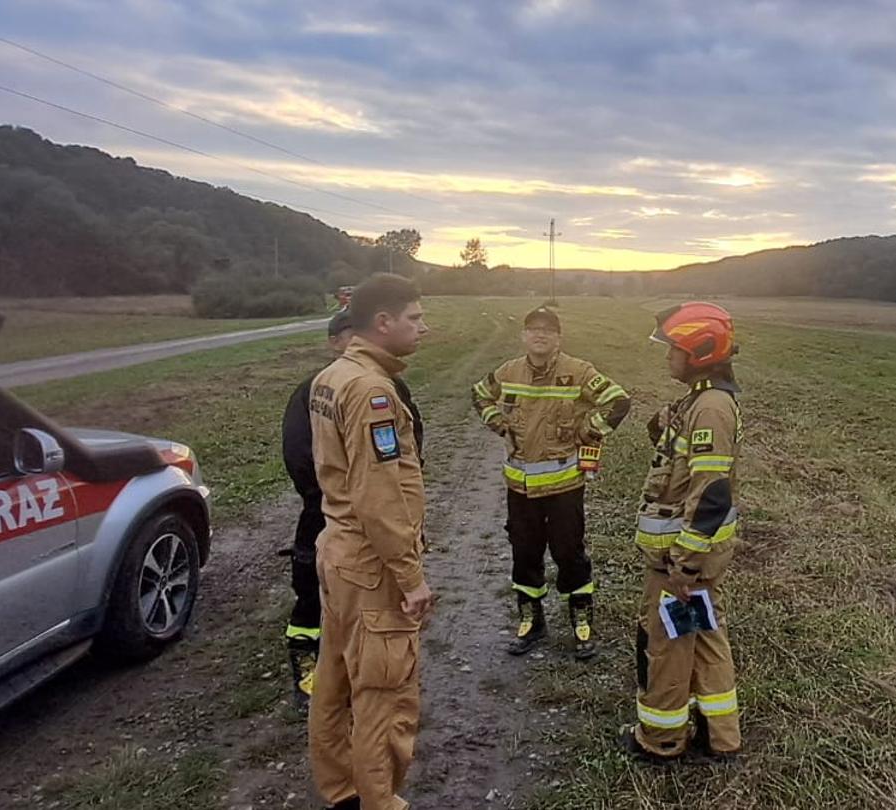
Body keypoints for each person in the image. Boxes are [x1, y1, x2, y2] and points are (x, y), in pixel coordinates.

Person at [307, 273, 434, 810]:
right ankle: (378, 800)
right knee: (383, 693)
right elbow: (378, 496)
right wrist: (411, 577)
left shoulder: (332, 376)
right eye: (415, 318)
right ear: (382, 322)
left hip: (337, 553)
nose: (423, 327)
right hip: (370, 564)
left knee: (333, 679)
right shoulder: (373, 391)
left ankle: (341, 790)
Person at [471, 306, 632, 659]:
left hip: (564, 488)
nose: (539, 335)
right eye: (532, 329)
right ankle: (531, 622)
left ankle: (581, 623)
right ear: (523, 336)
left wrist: (590, 431)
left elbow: (619, 401)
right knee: (524, 554)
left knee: (569, 555)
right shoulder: (509, 371)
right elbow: (480, 394)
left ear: (559, 338)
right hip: (519, 488)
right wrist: (499, 423)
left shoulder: (578, 372)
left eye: (547, 330)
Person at [626, 301, 744, 761]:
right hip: (690, 559)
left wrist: (684, 563)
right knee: (705, 636)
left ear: (698, 350)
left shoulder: (711, 406)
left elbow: (712, 493)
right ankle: (721, 737)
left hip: (680, 561)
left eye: (673, 348)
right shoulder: (702, 399)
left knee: (669, 645)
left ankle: (662, 741)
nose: (666, 356)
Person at [278, 312, 357, 710]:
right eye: (347, 336)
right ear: (333, 343)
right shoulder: (312, 390)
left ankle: (357, 667)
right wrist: (327, 498)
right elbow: (297, 453)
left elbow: (411, 447)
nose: (355, 343)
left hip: (373, 517)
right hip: (324, 510)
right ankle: (305, 660)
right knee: (311, 585)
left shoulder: (386, 386)